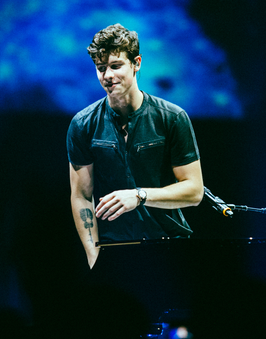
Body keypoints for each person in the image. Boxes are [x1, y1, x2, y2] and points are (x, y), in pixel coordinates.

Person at [67, 23, 205, 269]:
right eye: (100, 68)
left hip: (169, 246)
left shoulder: (171, 117)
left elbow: (194, 191)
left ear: (136, 63)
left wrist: (139, 196)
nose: (107, 75)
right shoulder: (82, 124)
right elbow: (81, 195)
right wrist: (93, 254)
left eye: (115, 66)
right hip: (115, 250)